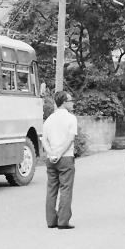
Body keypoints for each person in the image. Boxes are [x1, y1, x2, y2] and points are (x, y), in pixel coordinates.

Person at [41, 91, 77, 229]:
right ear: (64, 102)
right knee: (66, 189)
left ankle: (50, 221)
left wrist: (51, 153)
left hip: (51, 159)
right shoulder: (71, 118)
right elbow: (70, 139)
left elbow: (44, 139)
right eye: (70, 100)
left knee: (51, 189)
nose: (72, 102)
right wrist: (61, 154)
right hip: (66, 158)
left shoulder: (49, 119)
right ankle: (63, 221)